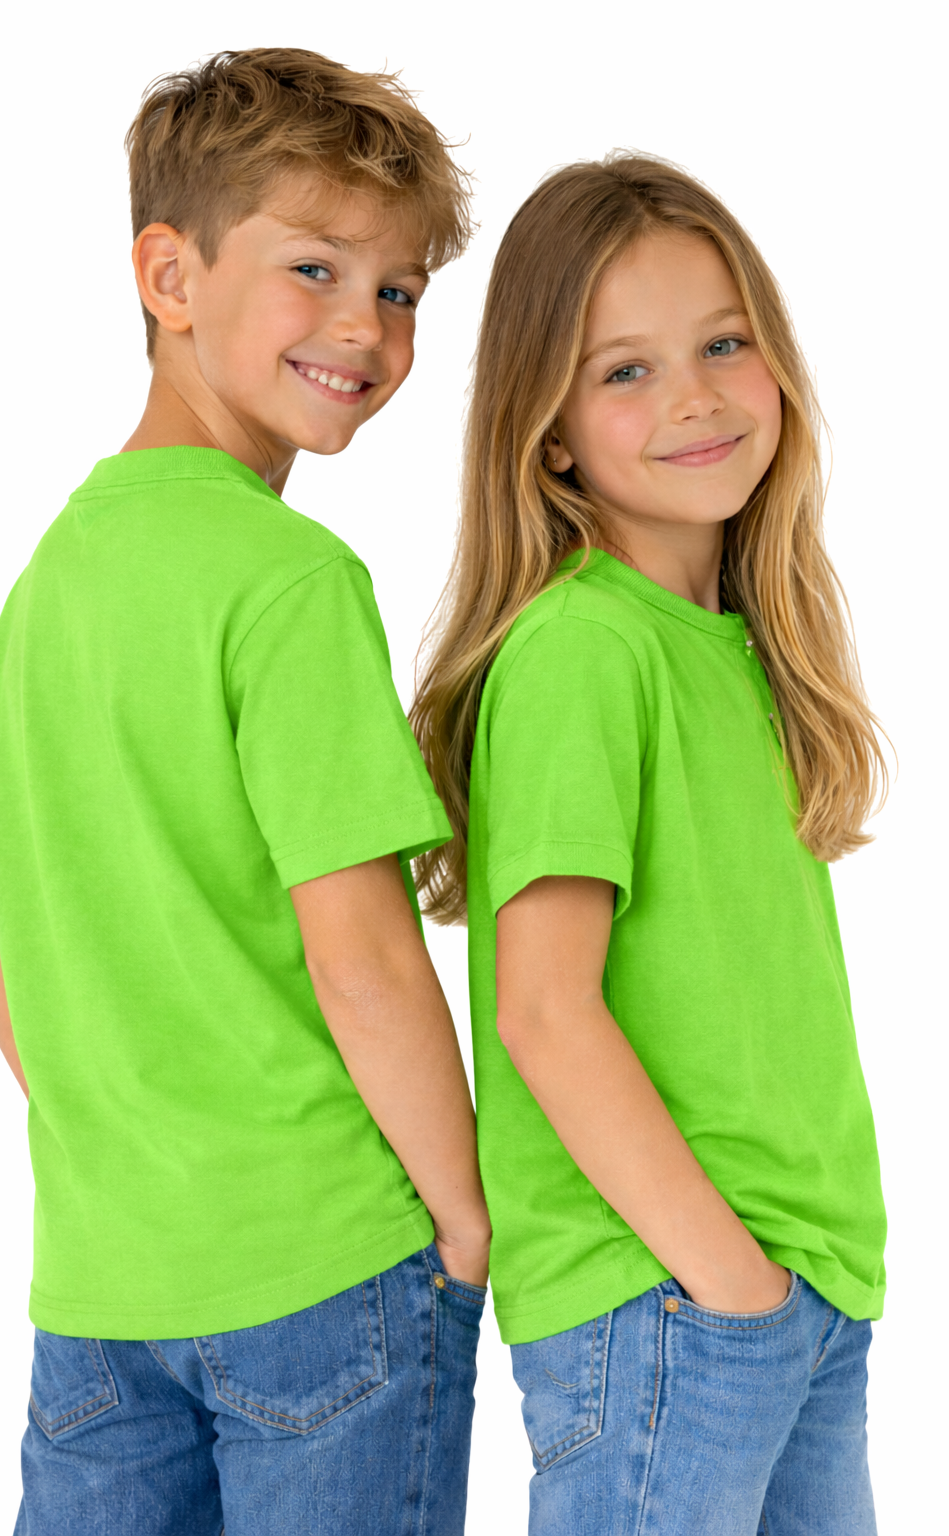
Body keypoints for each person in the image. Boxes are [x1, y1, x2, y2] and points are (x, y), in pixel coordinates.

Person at [0, 48, 489, 1536]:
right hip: (326, 1267)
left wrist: (143, 1151)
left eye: (399, 291)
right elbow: (362, 955)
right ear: (168, 276)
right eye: (316, 268)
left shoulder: (54, 575)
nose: (365, 325)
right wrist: (463, 1214)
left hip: (103, 1281)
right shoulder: (291, 580)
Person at [412, 154, 886, 1534]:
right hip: (670, 1304)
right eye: (625, 370)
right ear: (548, 432)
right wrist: (729, 1285)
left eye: (724, 344)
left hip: (792, 1289)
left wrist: (776, 1293)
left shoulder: (729, 650)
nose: (695, 396)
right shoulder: (583, 649)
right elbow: (543, 1011)